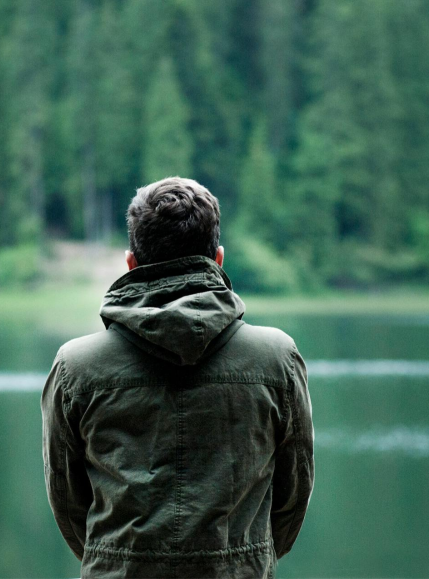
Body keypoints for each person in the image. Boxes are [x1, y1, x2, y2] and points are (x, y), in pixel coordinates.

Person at [42, 176, 315, 578]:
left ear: (131, 263)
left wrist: (120, 560)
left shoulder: (76, 367)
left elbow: (68, 503)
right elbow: (293, 495)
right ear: (218, 259)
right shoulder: (277, 359)